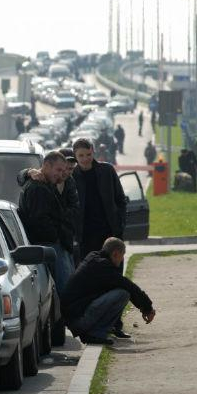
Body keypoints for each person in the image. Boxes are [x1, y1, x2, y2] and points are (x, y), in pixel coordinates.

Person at [71, 138, 130, 338]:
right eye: (81, 156)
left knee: (115, 279)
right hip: (86, 238)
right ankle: (95, 323)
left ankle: (116, 323)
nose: (85, 159)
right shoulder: (72, 176)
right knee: (92, 281)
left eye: (88, 154)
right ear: (75, 156)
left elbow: (120, 200)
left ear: (93, 152)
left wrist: (119, 227)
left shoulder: (106, 171)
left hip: (110, 236)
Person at [61, 237, 156, 345]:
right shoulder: (103, 266)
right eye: (122, 255)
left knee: (119, 291)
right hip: (78, 320)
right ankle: (95, 334)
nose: (121, 260)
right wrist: (148, 308)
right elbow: (129, 286)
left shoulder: (94, 258)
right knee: (123, 294)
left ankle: (100, 331)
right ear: (115, 254)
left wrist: (144, 307)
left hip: (73, 316)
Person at [18, 151, 75, 294]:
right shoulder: (38, 187)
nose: (61, 174)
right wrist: (55, 237)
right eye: (58, 169)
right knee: (66, 289)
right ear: (47, 165)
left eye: (63, 170)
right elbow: (39, 220)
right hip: (50, 245)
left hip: (55, 243)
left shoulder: (47, 184)